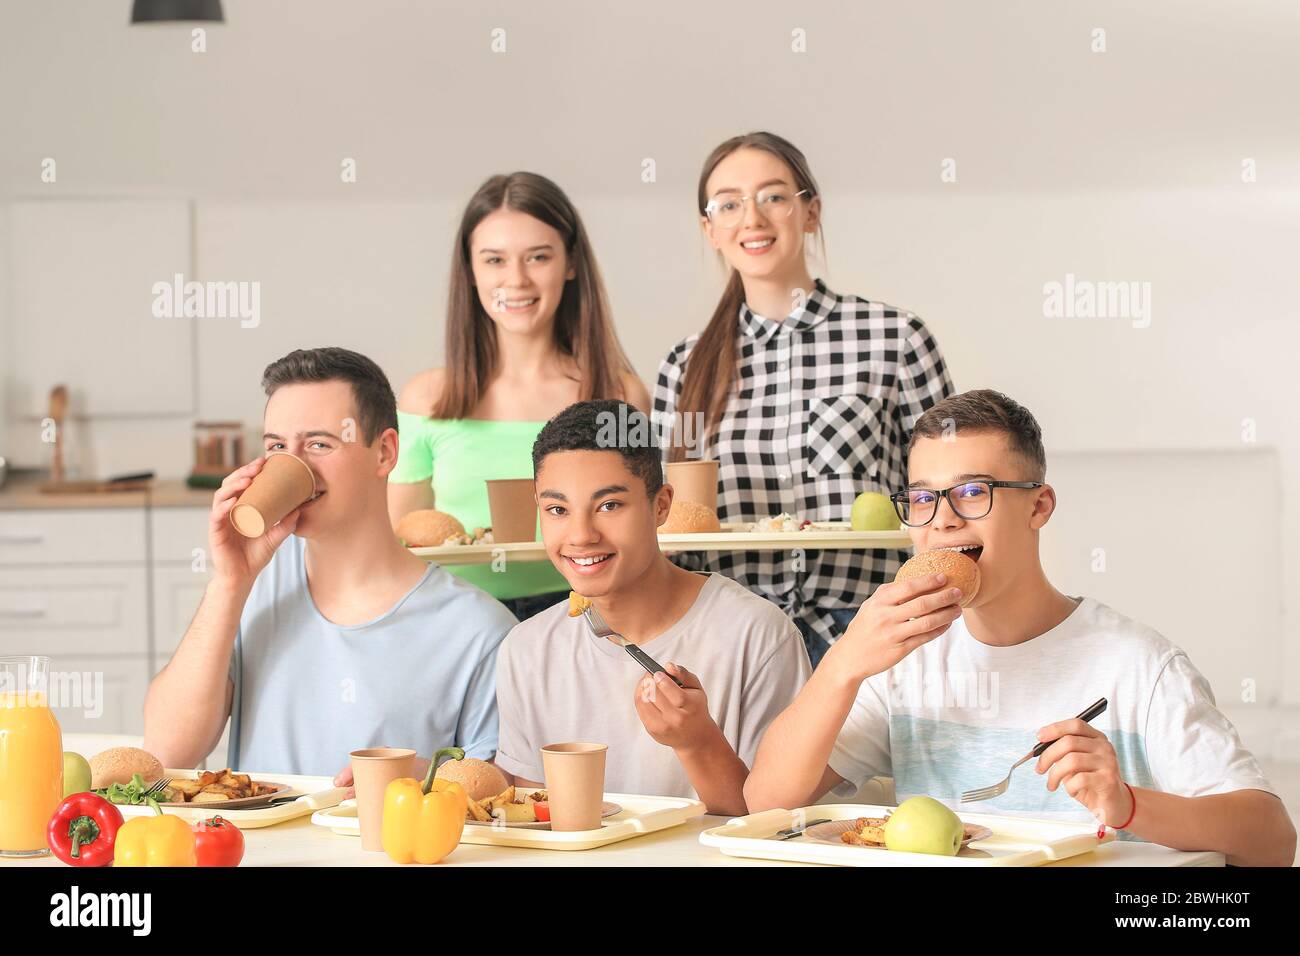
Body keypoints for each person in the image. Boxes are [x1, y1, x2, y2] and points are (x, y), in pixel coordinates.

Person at [745, 389, 1296, 866]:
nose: (942, 518)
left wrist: (1127, 803)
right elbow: (765, 803)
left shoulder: (1140, 665)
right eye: (922, 497)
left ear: (1039, 506)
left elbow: (1272, 841)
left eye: (972, 491)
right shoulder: (903, 660)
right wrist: (843, 664)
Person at [144, 347, 517, 779]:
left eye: (320, 444)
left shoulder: (477, 629)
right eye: (278, 447)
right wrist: (229, 581)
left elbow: (495, 795)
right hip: (257, 849)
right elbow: (168, 753)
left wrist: (423, 778)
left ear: (385, 453)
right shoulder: (251, 589)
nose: (294, 465)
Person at [654, 131, 954, 668]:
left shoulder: (894, 338)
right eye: (729, 204)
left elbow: (947, 494)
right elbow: (667, 524)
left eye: (773, 196)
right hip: (728, 640)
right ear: (710, 229)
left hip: (867, 628)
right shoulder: (683, 368)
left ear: (810, 211)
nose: (752, 218)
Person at [492, 400, 811, 815]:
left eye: (609, 505)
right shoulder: (527, 649)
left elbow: (775, 824)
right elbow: (535, 821)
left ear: (661, 505)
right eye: (557, 510)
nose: (581, 535)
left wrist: (696, 742)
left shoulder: (758, 635)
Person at [388, 172, 652, 622]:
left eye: (538, 257)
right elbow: (398, 539)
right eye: (494, 260)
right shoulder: (427, 399)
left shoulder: (619, 395)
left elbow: (642, 535)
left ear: (570, 264)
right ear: (470, 270)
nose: (516, 279)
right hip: (456, 619)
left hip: (588, 619)